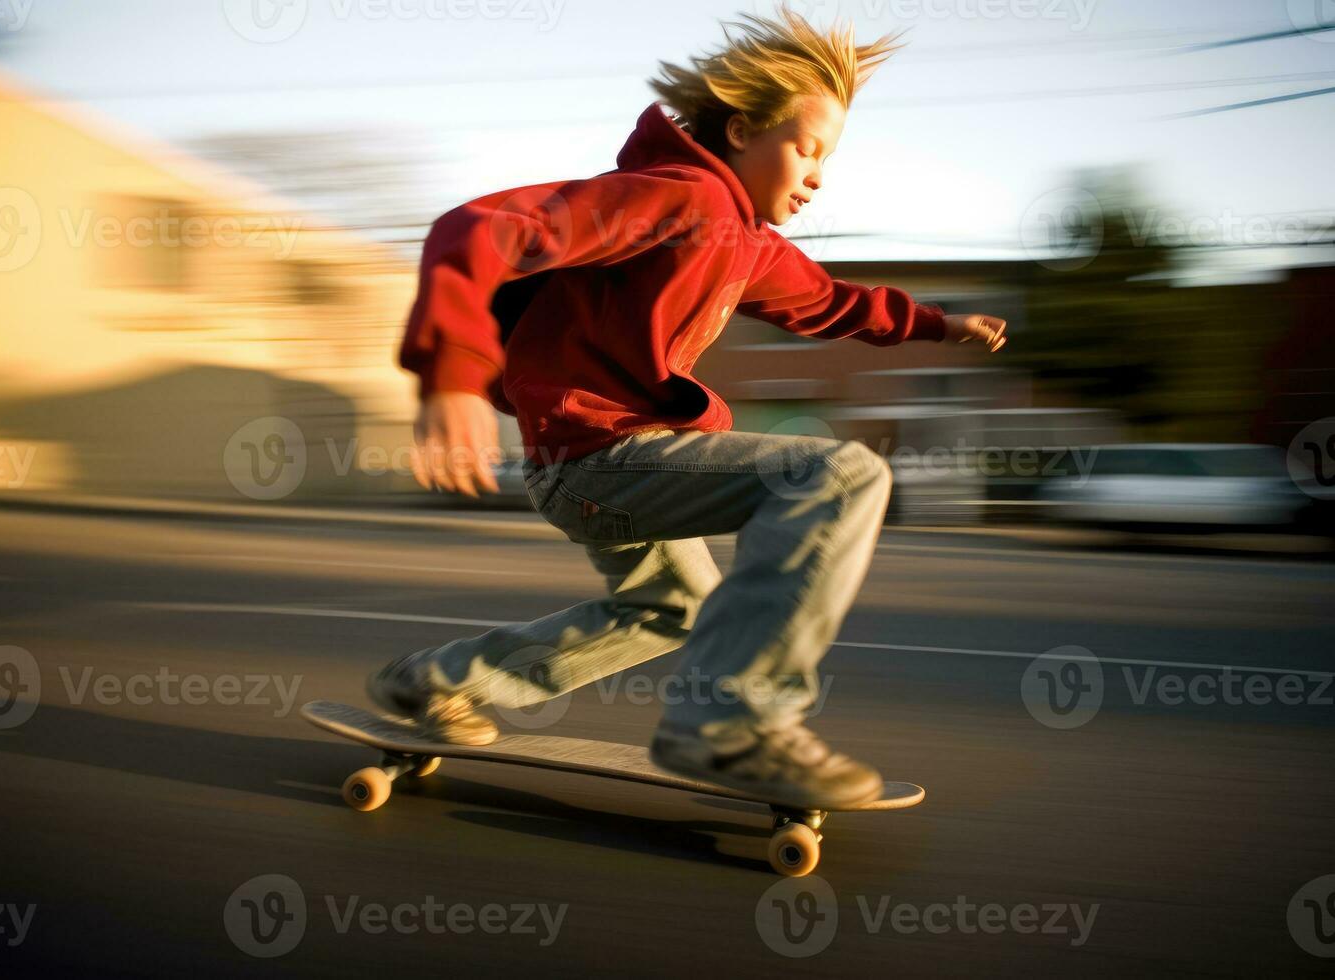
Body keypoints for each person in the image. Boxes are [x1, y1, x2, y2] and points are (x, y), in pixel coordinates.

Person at [369, 6, 1007, 810]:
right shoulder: (679, 200)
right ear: (742, 131)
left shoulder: (748, 241)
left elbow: (830, 305)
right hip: (603, 454)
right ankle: (731, 724)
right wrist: (453, 373)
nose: (817, 174)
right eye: (806, 149)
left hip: (604, 465)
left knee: (669, 608)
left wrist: (935, 324)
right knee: (837, 475)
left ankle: (435, 680)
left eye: (829, 159)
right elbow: (481, 226)